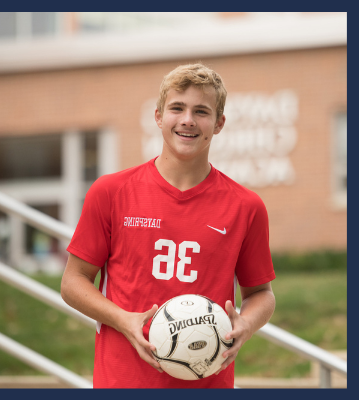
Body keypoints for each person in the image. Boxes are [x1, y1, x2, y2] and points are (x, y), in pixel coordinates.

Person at [61, 63, 276, 388]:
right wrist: (123, 319)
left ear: (219, 124)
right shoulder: (110, 192)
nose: (188, 119)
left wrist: (246, 324)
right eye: (177, 108)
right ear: (159, 116)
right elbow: (73, 282)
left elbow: (261, 294)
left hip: (208, 383)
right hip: (122, 381)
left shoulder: (246, 206)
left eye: (201, 111)